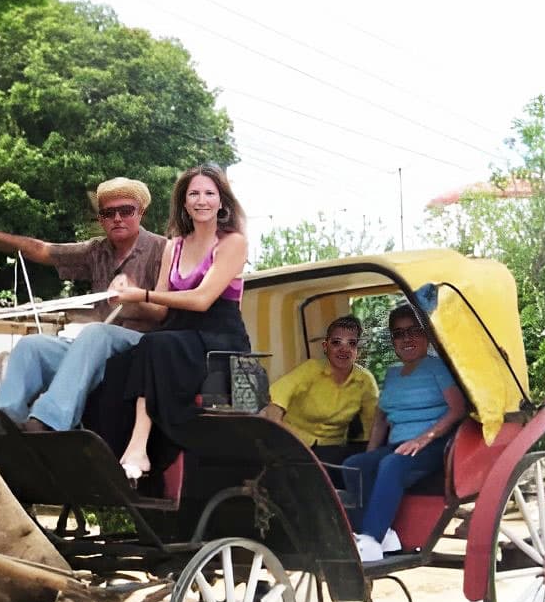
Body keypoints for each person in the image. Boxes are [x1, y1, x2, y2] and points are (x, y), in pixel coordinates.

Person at [0, 177, 166, 432]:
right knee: (32, 346)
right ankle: (4, 418)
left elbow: (166, 312)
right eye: (109, 213)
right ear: (101, 219)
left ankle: (49, 421)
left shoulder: (163, 249)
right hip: (96, 349)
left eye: (126, 211)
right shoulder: (95, 251)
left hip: (144, 348)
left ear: (141, 212)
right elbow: (43, 250)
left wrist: (136, 297)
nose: (117, 218)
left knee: (96, 333)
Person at [111, 164, 250, 480]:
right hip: (178, 333)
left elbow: (202, 300)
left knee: (156, 344)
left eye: (209, 193)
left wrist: (140, 293)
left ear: (222, 201)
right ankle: (114, 447)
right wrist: (126, 298)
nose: (202, 200)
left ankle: (139, 447)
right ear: (184, 203)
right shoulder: (173, 246)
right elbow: (160, 309)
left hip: (220, 340)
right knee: (122, 361)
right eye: (194, 194)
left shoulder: (233, 242)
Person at [341, 304, 467, 563]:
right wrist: (370, 454)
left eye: (413, 331)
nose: (406, 339)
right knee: (354, 465)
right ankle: (382, 534)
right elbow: (381, 419)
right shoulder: (392, 374)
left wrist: (424, 438)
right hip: (399, 444)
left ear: (427, 335)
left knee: (392, 463)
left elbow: (457, 410)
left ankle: (371, 539)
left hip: (436, 444)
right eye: (398, 334)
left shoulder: (437, 367)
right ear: (393, 340)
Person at [261, 315, 379, 466]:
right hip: (294, 445)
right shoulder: (310, 369)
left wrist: (368, 460)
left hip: (334, 450)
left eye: (352, 343)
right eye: (336, 342)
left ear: (359, 351)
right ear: (325, 346)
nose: (344, 349)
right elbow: (274, 405)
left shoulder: (365, 380)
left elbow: (372, 426)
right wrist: (283, 439)